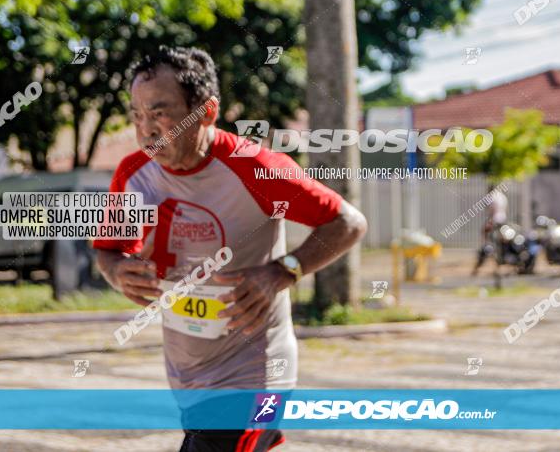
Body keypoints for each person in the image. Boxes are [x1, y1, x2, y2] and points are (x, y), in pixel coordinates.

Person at [94, 46, 367, 452]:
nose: (146, 130)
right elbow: (109, 250)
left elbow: (347, 222)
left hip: (256, 374)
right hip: (191, 380)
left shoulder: (254, 167)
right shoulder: (134, 174)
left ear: (205, 112)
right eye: (137, 115)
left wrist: (282, 271)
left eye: (160, 113)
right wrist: (116, 271)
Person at [472, 183, 508, 276]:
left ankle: (481, 264)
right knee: (499, 244)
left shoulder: (492, 197)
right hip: (502, 221)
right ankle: (498, 265)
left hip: (494, 222)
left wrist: (488, 224)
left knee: (488, 245)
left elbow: (492, 211)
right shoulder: (502, 196)